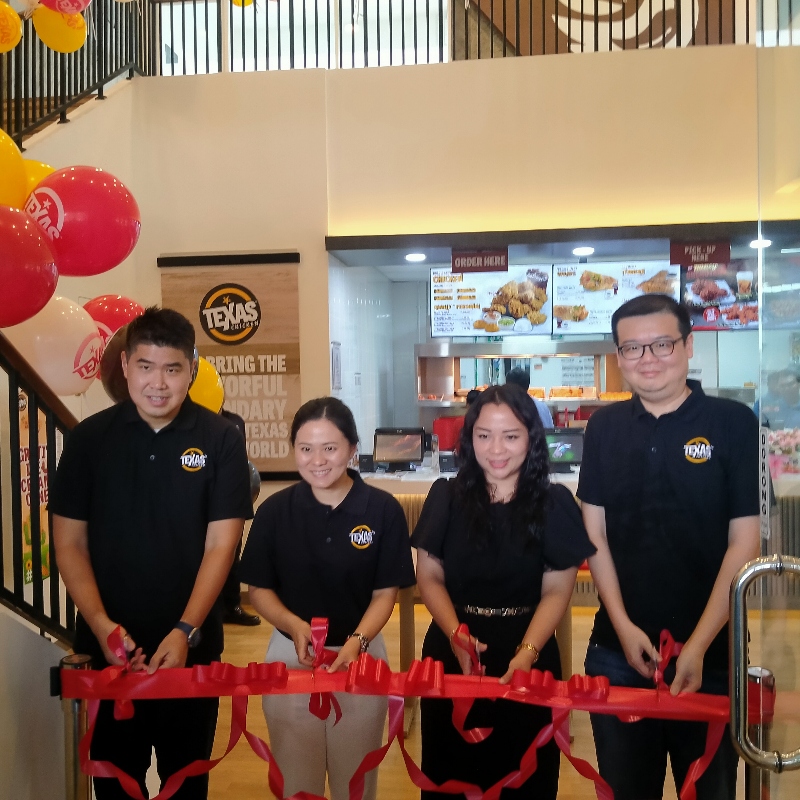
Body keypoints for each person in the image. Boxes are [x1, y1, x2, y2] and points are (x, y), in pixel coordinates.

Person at [50, 307, 253, 800]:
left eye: (172, 368)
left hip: (192, 649)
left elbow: (221, 544)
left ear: (192, 368)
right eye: (145, 366)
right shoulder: (88, 440)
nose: (157, 383)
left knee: (187, 782)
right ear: (125, 366)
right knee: (116, 782)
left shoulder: (221, 438)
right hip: (109, 650)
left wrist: (185, 629)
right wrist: (100, 624)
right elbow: (69, 543)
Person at [578, 294, 760, 800]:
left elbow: (745, 541)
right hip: (616, 655)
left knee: (709, 790)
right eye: (632, 349)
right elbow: (594, 535)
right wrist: (622, 625)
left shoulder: (733, 423)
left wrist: (698, 645)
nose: (648, 358)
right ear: (619, 359)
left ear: (688, 345)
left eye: (662, 344)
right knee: (625, 789)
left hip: (716, 656)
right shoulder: (604, 428)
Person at [412, 383, 595, 799]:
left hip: (529, 647)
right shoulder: (446, 496)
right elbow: (430, 577)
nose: (496, 449)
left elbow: (556, 590)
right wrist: (456, 635)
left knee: (526, 774)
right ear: (469, 438)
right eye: (484, 435)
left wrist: (527, 653)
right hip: (453, 648)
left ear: (531, 438)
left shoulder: (553, 502)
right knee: (449, 772)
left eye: (510, 436)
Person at [239, 397, 415, 800]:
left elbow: (385, 593)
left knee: (355, 780)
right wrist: (293, 625)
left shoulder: (382, 509)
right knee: (295, 775)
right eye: (305, 448)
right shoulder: (274, 511)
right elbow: (258, 590)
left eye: (330, 448)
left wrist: (358, 641)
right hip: (290, 655)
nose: (317, 460)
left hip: (362, 655)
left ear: (353, 449)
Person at [219, 407, 261, 626]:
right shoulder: (193, 420)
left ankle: (232, 606)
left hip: (232, 497)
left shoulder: (235, 421)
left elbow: (240, 463)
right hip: (202, 503)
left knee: (232, 555)